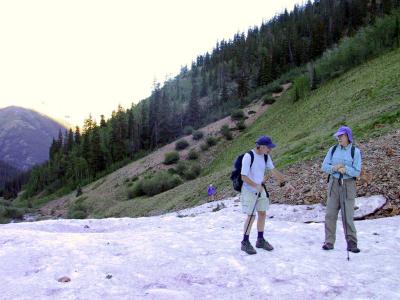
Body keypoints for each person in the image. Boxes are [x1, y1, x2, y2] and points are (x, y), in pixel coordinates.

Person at [240, 135, 294, 255]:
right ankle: (245, 242)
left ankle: (260, 240)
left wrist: (285, 183)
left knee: (263, 213)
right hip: (250, 189)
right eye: (269, 148)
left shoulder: (266, 157)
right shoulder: (248, 156)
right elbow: (243, 177)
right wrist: (255, 185)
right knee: (251, 216)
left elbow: (273, 171)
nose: (270, 150)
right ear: (262, 147)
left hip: (260, 188)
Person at [321, 126, 362, 253]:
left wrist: (346, 170)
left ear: (348, 137)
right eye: (338, 136)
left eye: (341, 136)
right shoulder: (332, 150)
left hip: (348, 184)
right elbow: (324, 166)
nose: (339, 138)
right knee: (330, 214)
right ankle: (329, 242)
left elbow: (357, 171)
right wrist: (334, 168)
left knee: (347, 215)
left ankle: (351, 243)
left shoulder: (355, 152)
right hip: (333, 184)